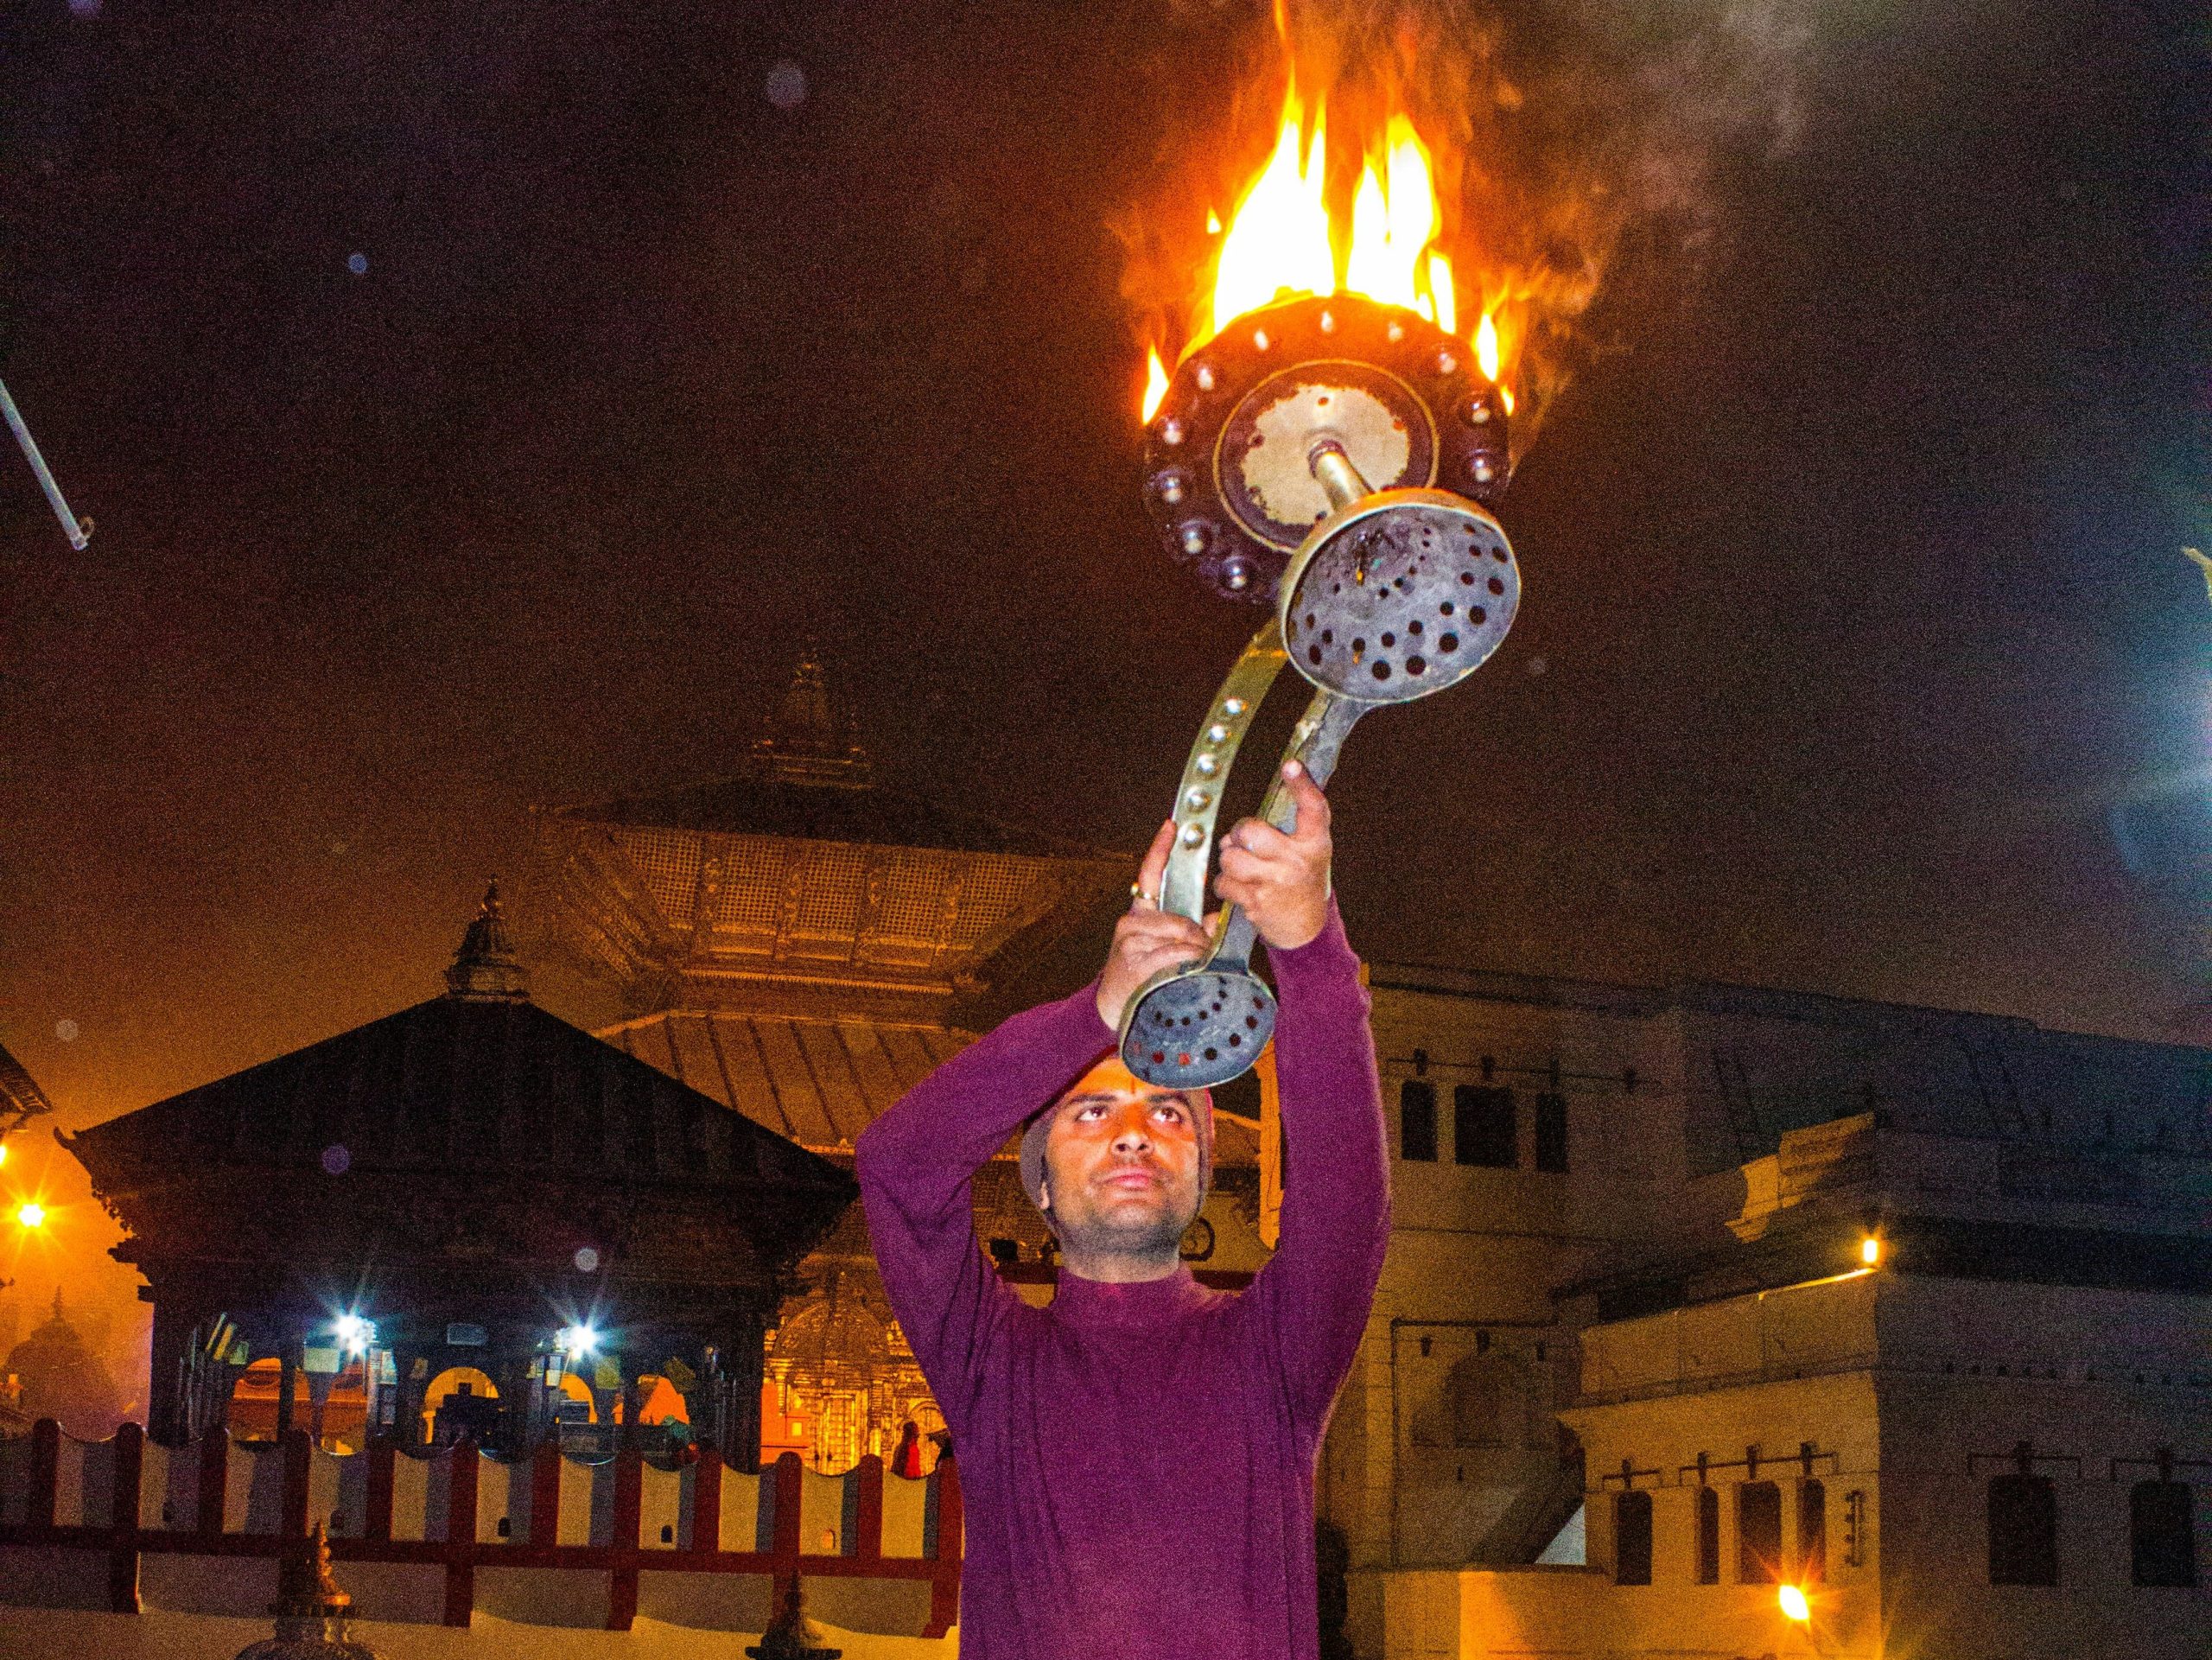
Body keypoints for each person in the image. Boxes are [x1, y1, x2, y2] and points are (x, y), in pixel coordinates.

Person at [855, 760, 1386, 1659]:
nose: (1134, 1133)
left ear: (1202, 1171)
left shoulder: (1275, 1354)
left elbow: (1346, 1202)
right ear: (1042, 1183)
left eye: (1168, 1113)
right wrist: (1098, 1009)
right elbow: (899, 1166)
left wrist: (1308, 951)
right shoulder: (992, 1365)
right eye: (1091, 1111)